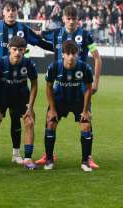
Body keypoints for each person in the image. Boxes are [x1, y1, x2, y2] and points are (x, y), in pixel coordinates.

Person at [0, 0, 53, 164]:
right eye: (8, 10)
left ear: (17, 12)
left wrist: (57, 49)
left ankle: (16, 153)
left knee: (16, 118)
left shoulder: (23, 29)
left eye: (14, 10)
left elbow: (39, 42)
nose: (11, 13)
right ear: (3, 12)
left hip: (18, 82)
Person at [35, 5, 101, 169]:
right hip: (61, 86)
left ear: (77, 20)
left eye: (74, 19)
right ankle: (48, 156)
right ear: (63, 19)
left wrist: (96, 82)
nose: (71, 22)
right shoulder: (56, 33)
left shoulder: (85, 35)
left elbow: (98, 59)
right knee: (50, 120)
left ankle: (88, 158)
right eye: (68, 18)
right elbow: (39, 35)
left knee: (86, 121)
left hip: (80, 86)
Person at [0, 36, 38, 170]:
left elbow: (34, 85)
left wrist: (30, 107)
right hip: (2, 96)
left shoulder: (28, 64)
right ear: (9, 49)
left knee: (29, 121)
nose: (17, 53)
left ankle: (27, 159)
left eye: (21, 50)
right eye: (14, 49)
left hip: (20, 95)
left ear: (25, 50)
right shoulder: (0, 64)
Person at [44, 40, 95, 172]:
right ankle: (49, 160)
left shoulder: (84, 68)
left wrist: (85, 110)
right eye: (68, 53)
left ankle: (85, 161)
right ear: (63, 55)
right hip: (59, 100)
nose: (71, 57)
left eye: (74, 53)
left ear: (78, 54)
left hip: (78, 100)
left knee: (86, 125)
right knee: (50, 123)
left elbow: (89, 89)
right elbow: (49, 87)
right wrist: (52, 109)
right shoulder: (54, 67)